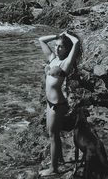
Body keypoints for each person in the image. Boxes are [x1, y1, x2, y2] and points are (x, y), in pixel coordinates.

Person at [38, 31, 80, 176]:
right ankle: (60, 159)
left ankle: (53, 169)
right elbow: (41, 40)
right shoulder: (53, 59)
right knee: (53, 134)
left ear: (67, 49)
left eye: (61, 47)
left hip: (58, 105)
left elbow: (76, 43)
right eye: (56, 46)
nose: (57, 49)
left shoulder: (65, 63)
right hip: (50, 103)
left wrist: (69, 36)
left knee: (53, 136)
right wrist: (57, 36)